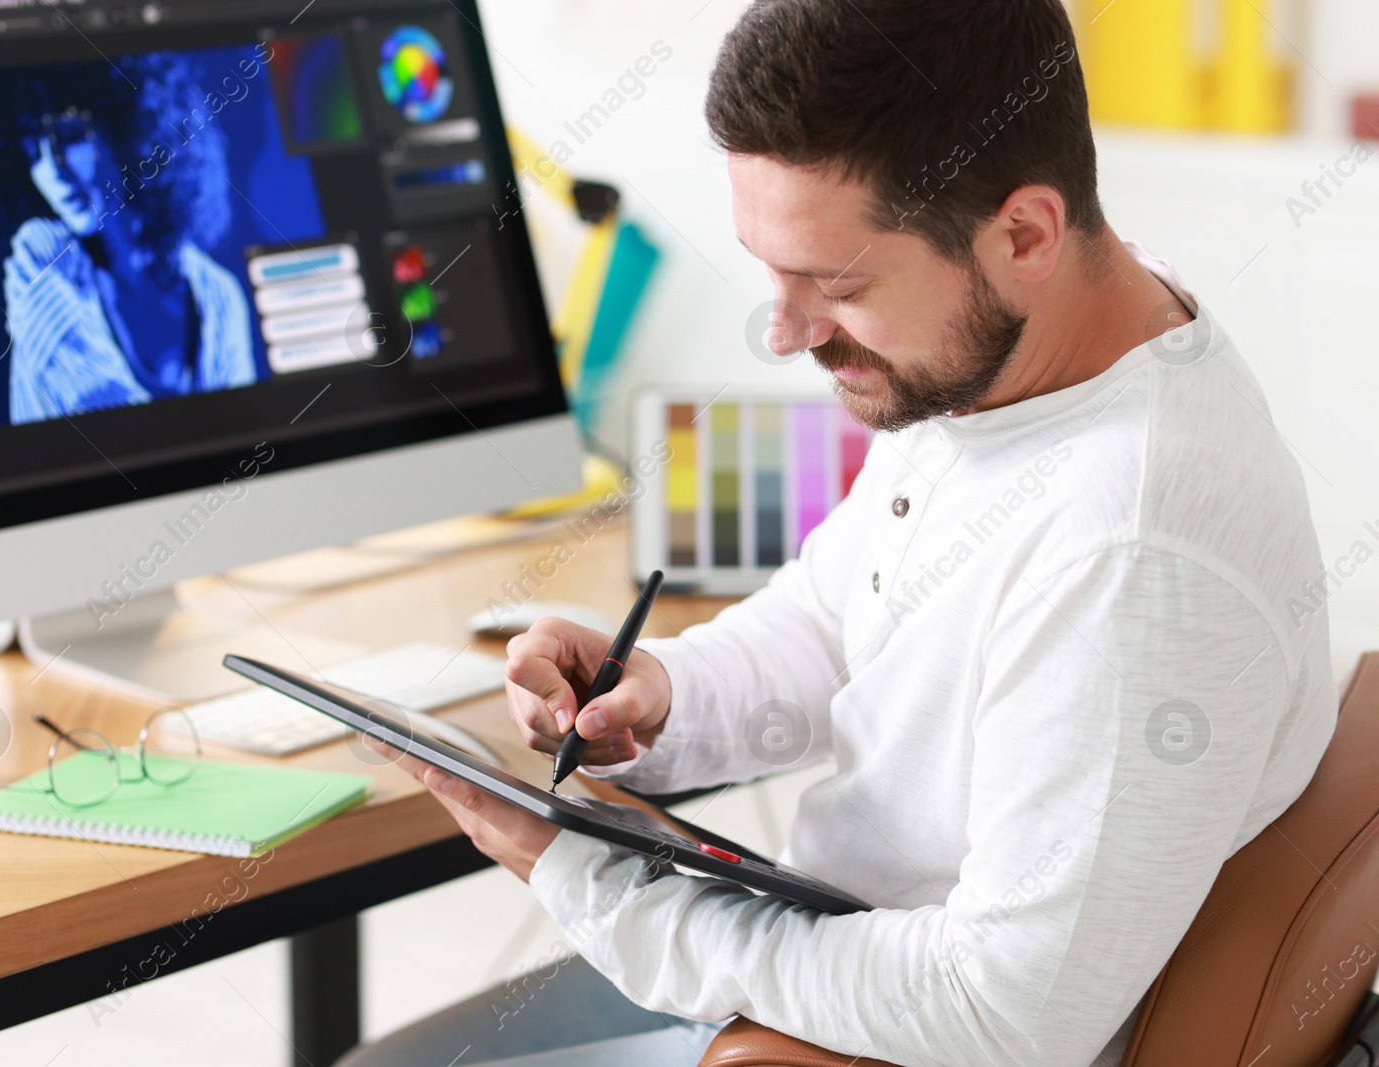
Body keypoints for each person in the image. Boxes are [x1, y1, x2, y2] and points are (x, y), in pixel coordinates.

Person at [344, 1, 1336, 1064]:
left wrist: (581, 877)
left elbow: (1001, 1010)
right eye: (769, 269)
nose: (782, 331)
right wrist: (662, 694)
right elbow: (842, 610)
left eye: (836, 284)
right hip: (832, 969)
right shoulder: (1018, 348)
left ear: (1025, 234)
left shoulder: (1129, 554)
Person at [0, 55, 255, 425]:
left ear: (131, 130)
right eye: (33, 151)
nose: (53, 171)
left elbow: (245, 433)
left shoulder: (218, 294)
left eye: (70, 137)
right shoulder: (41, 257)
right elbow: (107, 419)